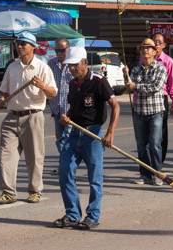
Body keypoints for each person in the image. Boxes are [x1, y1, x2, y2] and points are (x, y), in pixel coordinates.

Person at [54, 47, 120, 230]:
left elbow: (115, 106)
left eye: (76, 65)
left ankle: (93, 215)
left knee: (95, 178)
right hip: (74, 134)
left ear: (85, 63)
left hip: (93, 134)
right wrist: (66, 117)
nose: (73, 69)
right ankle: (72, 214)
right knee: (65, 170)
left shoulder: (99, 82)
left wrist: (110, 133)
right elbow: (73, 109)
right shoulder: (73, 84)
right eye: (70, 66)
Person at [0, 32, 57, 205]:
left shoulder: (42, 68)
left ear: (32, 47)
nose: (19, 46)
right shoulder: (12, 67)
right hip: (12, 116)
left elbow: (52, 93)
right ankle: (8, 192)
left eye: (23, 44)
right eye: (18, 43)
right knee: (6, 156)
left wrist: (42, 85)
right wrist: (1, 100)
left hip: (33, 116)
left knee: (34, 157)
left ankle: (35, 191)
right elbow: (4, 92)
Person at [124, 38, 167, 186]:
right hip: (139, 111)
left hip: (155, 112)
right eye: (143, 48)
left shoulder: (161, 68)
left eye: (148, 48)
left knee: (154, 144)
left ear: (155, 52)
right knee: (141, 146)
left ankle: (158, 174)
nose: (145, 50)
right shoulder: (136, 69)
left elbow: (154, 87)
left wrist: (135, 85)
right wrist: (127, 77)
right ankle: (145, 175)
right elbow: (131, 87)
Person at [152, 33, 173, 164]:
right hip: (146, 99)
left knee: (160, 132)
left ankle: (159, 162)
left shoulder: (168, 61)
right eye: (154, 41)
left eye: (159, 42)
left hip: (161, 99)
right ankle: (148, 163)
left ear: (163, 45)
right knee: (147, 133)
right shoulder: (144, 59)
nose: (156, 44)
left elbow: (172, 83)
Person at [47, 38, 73, 154]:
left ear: (68, 49)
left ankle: (67, 165)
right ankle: (65, 163)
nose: (59, 53)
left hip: (70, 110)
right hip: (57, 109)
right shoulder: (51, 64)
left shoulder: (73, 64)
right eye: (57, 51)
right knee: (60, 139)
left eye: (62, 50)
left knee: (68, 138)